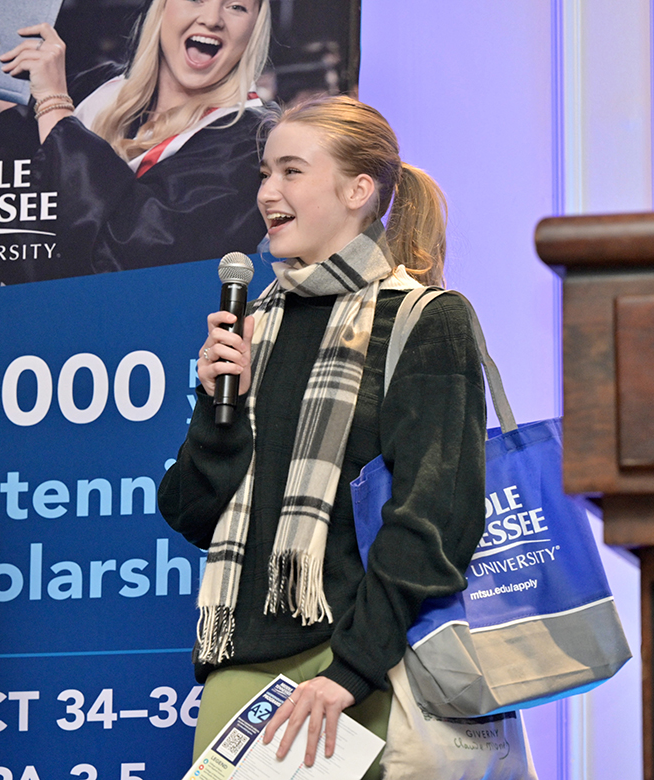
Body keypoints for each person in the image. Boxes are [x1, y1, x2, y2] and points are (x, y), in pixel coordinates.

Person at [157, 95, 486, 779]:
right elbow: (190, 512)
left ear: (358, 191)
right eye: (265, 172)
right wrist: (219, 406)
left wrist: (351, 671)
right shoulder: (255, 323)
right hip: (242, 667)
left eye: (290, 172)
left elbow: (435, 515)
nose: (267, 192)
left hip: (368, 667)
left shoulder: (423, 318)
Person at [0, 0, 272, 287]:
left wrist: (55, 105)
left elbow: (132, 255)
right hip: (14, 340)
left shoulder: (248, 143)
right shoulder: (100, 88)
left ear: (254, 26)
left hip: (132, 359)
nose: (213, 18)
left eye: (237, 6)